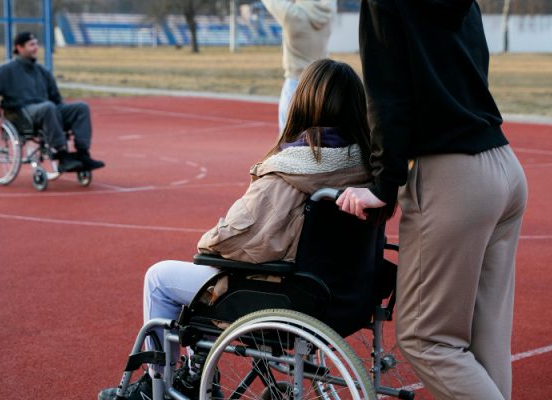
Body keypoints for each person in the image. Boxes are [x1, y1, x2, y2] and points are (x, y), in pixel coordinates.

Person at [98, 59, 374, 400]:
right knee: (216, 276)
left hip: (287, 294)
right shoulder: (367, 167)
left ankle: (160, 385)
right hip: (346, 294)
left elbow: (240, 237)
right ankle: (195, 370)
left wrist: (207, 244)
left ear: (303, 103)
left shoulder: (292, 169)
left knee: (162, 277)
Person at [336, 1, 528, 399]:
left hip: (453, 178)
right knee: (485, 336)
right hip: (503, 165)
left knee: (427, 339)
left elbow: (387, 97)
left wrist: (382, 184)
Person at [0, 32, 104, 173]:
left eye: (36, 44)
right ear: (19, 48)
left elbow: (56, 98)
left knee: (81, 107)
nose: (36, 47)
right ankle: (62, 156)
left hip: (46, 112)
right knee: (48, 108)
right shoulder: (7, 70)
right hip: (21, 114)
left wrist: (65, 112)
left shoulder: (42, 71)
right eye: (31, 45)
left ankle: (83, 154)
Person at [261, 0, 337, 134]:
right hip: (322, 85)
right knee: (320, 140)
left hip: (295, 85)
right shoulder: (328, 12)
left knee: (287, 141)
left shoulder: (292, 15)